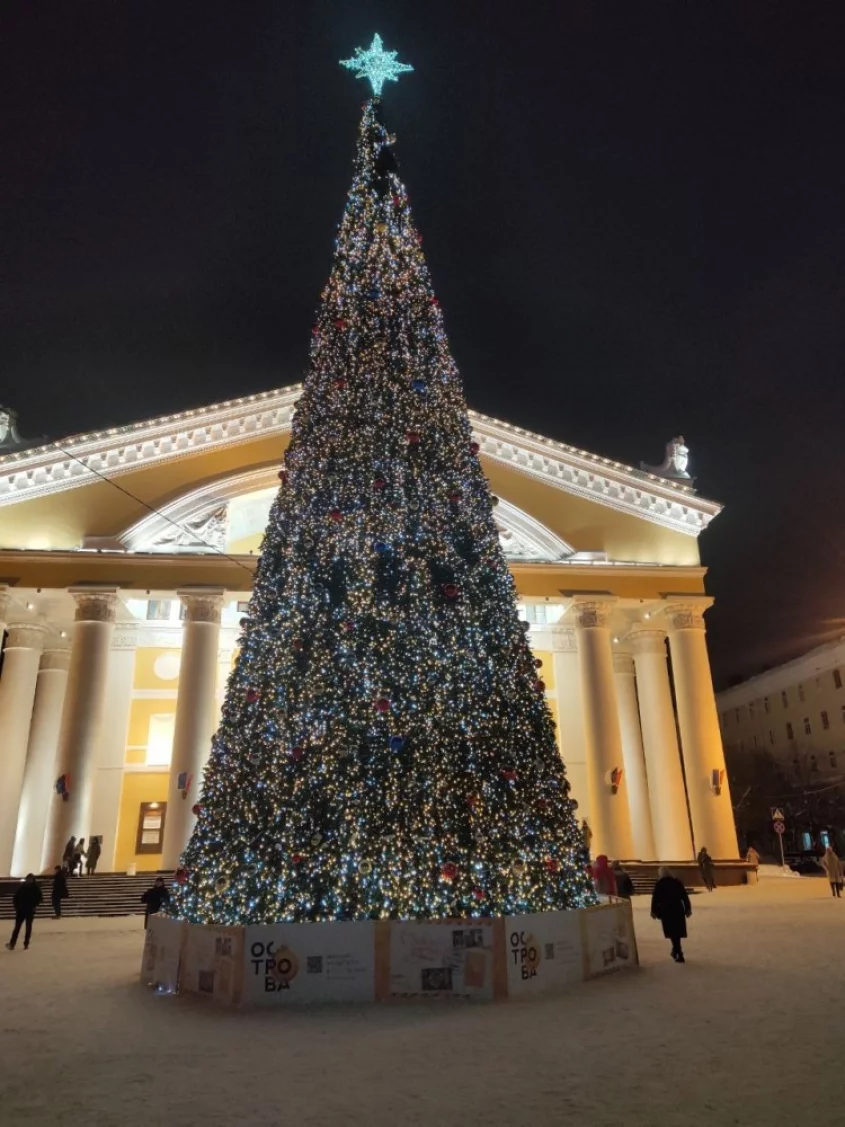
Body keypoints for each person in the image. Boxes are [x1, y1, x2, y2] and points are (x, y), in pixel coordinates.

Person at [651, 866, 692, 962]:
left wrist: (654, 911)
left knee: (672, 932)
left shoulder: (659, 884)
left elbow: (655, 899)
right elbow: (684, 896)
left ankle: (677, 952)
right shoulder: (676, 882)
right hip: (678, 910)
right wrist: (688, 909)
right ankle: (677, 951)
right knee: (676, 932)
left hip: (666, 911)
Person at [6, 874, 43, 951]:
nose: (28, 881)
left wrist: (34, 905)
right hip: (21, 910)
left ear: (33, 880)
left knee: (28, 927)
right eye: (28, 879)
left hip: (29, 910)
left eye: (30, 879)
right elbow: (16, 897)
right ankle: (12, 943)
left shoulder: (35, 888)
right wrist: (17, 907)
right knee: (17, 928)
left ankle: (26, 943)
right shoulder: (23, 887)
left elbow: (40, 898)